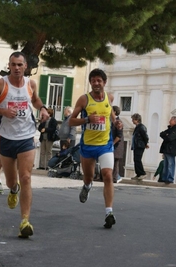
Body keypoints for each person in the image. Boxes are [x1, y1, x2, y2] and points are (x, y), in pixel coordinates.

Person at [0, 51, 49, 238]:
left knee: (26, 177)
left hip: (27, 137)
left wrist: (42, 108)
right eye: (13, 64)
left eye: (20, 64)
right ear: (9, 66)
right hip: (6, 137)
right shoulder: (1, 84)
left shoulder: (31, 84)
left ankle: (25, 221)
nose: (17, 68)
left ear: (25, 66)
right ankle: (13, 189)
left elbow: (35, 100)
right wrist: (2, 111)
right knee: (12, 180)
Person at [69, 68, 117, 229]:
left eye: (99, 80)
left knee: (107, 175)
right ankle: (87, 186)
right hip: (88, 146)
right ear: (90, 83)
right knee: (88, 177)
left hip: (105, 145)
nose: (96, 83)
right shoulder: (84, 100)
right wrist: (87, 119)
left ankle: (109, 212)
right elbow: (71, 121)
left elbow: (109, 112)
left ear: (104, 82)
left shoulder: (109, 97)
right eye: (93, 80)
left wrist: (116, 120)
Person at [159, 116, 176, 184]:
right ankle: (164, 178)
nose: (169, 121)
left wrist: (167, 135)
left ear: (175, 122)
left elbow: (169, 138)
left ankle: (170, 178)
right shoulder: (170, 129)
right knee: (166, 165)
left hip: (171, 150)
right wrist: (167, 134)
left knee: (171, 164)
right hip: (166, 149)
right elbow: (161, 134)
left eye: (171, 120)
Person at [131, 113, 149, 180]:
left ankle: (142, 173)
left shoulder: (141, 127)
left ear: (137, 120)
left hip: (139, 145)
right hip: (136, 145)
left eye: (133, 119)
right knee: (135, 159)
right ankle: (138, 174)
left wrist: (145, 143)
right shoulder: (138, 127)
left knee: (138, 159)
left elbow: (145, 137)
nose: (132, 121)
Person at [111, 106, 124, 183]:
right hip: (114, 145)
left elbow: (119, 136)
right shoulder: (113, 121)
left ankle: (115, 178)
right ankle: (113, 177)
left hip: (116, 146)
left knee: (115, 162)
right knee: (112, 161)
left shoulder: (118, 122)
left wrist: (112, 143)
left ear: (114, 112)